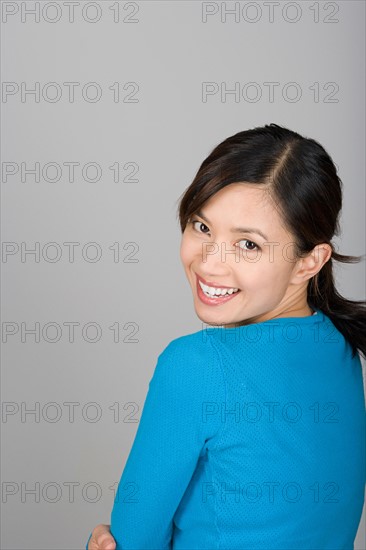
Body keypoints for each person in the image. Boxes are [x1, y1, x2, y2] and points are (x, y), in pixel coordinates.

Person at [86, 123, 366, 550]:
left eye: (248, 246)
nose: (210, 264)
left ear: (310, 261)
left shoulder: (195, 365)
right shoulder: (341, 350)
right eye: (202, 227)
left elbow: (130, 542)